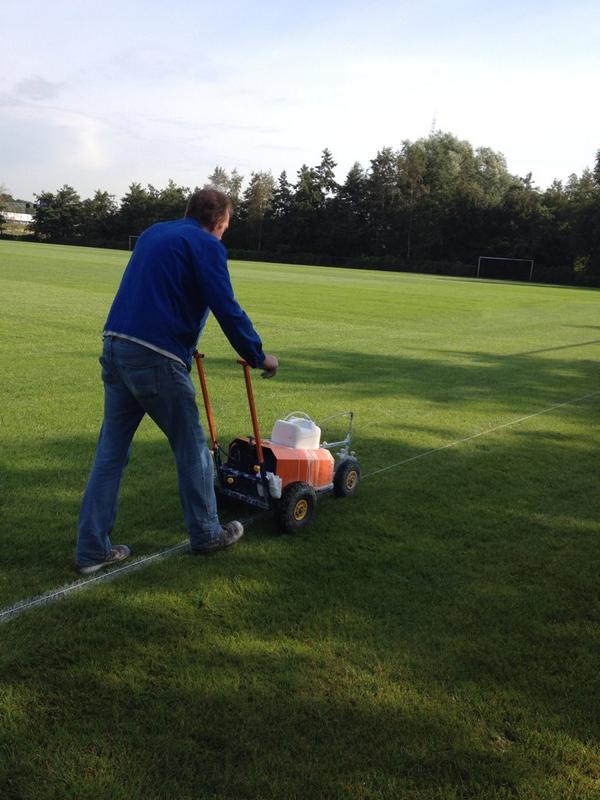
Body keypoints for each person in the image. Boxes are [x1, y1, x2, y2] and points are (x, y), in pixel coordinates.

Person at [75, 188, 278, 574]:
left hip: (115, 346)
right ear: (218, 221)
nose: (223, 234)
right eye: (226, 227)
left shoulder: (154, 233)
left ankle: (90, 551)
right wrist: (258, 355)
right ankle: (207, 534)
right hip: (157, 357)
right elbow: (227, 309)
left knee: (110, 454)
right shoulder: (206, 245)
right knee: (193, 448)